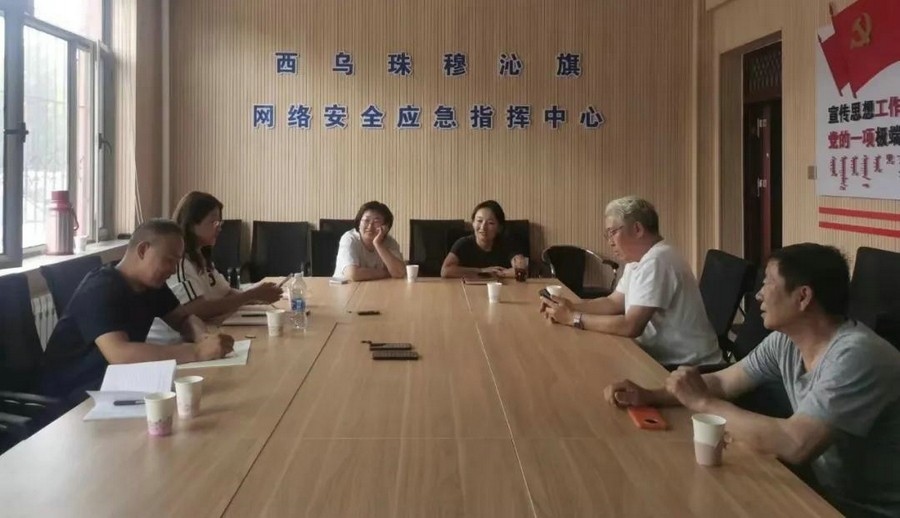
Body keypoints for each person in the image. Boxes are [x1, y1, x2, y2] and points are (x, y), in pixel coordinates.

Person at [604, 244, 900, 517]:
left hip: (869, 509)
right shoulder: (786, 341)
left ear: (803, 297)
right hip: (825, 492)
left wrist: (703, 403)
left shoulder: (856, 355)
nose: (758, 295)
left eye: (768, 283)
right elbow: (723, 383)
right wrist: (650, 395)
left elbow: (796, 443)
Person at [41, 219, 235, 406]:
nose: (173, 270)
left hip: (117, 383)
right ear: (143, 250)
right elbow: (120, 354)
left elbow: (183, 318)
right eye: (169, 260)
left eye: (177, 262)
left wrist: (202, 336)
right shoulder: (100, 288)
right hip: (72, 395)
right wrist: (197, 352)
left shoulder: (151, 284)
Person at [541, 196, 721, 367]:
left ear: (637, 229)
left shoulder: (657, 261)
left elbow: (631, 326)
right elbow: (613, 303)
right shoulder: (638, 260)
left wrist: (572, 318)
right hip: (658, 358)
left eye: (612, 232)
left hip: (690, 368)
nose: (610, 242)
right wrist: (571, 307)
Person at [156, 192, 282, 329]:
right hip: (178, 339)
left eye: (220, 222)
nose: (219, 227)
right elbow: (196, 309)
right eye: (213, 222)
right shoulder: (178, 262)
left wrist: (258, 297)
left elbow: (226, 293)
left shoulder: (202, 257)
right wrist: (250, 295)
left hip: (209, 330)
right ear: (191, 224)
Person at [441, 200, 527, 278]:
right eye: (479, 221)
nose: (483, 227)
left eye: (490, 223)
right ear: (473, 223)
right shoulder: (463, 243)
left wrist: (497, 273)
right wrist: (481, 271)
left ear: (499, 227)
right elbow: (445, 271)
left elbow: (521, 269)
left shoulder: (508, 243)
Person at [333, 201, 406, 281]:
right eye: (366, 220)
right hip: (346, 287)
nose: (370, 226)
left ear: (386, 226)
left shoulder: (389, 242)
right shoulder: (349, 239)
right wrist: (387, 273)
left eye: (376, 221)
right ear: (359, 223)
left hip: (377, 286)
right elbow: (353, 274)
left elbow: (400, 273)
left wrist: (378, 244)